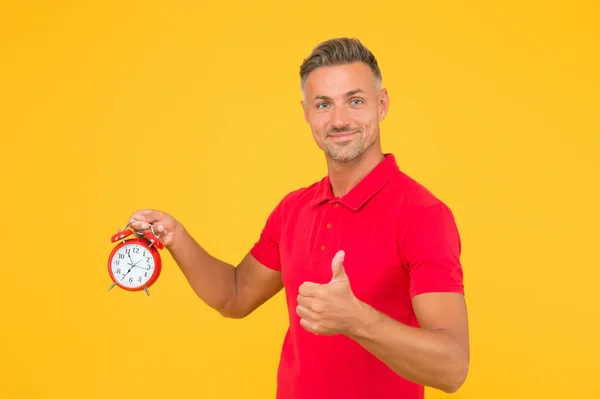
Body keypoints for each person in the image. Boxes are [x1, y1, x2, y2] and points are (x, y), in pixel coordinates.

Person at [127, 37, 470, 399]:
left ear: (381, 104)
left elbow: (452, 369)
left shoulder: (423, 215)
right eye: (324, 104)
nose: (339, 120)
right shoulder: (294, 209)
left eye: (355, 101)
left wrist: (357, 320)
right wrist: (178, 237)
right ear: (307, 113)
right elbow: (234, 296)